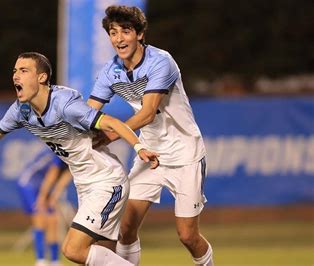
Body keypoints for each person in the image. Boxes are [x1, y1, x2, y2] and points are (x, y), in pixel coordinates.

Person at [0, 52, 159, 266]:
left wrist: (139, 147)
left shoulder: (65, 104)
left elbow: (112, 123)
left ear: (42, 77)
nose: (15, 75)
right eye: (14, 71)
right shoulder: (21, 110)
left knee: (72, 250)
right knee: (102, 254)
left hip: (107, 181)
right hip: (85, 185)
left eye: (23, 70)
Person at [87, 5, 214, 266]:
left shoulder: (161, 62)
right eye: (113, 32)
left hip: (185, 154)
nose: (119, 39)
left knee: (188, 236)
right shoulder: (110, 71)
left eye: (126, 31)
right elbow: (88, 113)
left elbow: (147, 113)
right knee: (125, 229)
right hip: (150, 154)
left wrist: (109, 136)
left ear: (140, 33)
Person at [17, 147, 72, 266]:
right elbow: (52, 174)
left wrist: (54, 196)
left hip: (45, 185)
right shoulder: (61, 150)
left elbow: (65, 177)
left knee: (53, 221)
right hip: (30, 184)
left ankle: (54, 261)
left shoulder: (77, 154)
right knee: (40, 219)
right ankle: (40, 259)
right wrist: (42, 197)